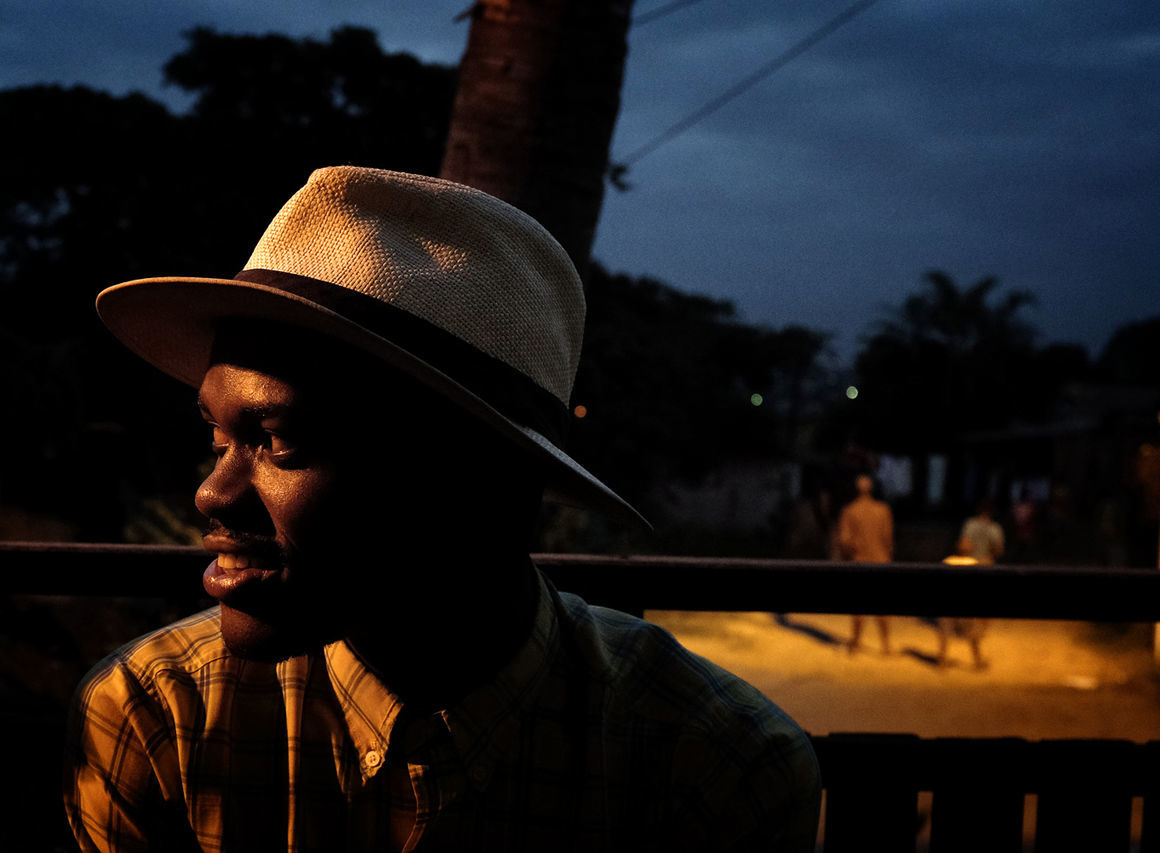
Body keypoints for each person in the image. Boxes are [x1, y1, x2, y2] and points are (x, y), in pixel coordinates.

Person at [62, 167, 821, 852]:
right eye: (219, 435)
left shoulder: (707, 761)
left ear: (478, 481)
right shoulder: (155, 719)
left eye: (279, 439)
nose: (211, 493)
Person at [937, 497, 1004, 669]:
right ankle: (977, 660)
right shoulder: (995, 528)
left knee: (950, 616)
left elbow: (964, 545)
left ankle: (942, 658)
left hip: (967, 569)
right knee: (975, 617)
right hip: (985, 569)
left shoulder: (970, 525)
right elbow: (999, 550)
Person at [837, 474, 894, 655]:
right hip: (881, 562)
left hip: (860, 563)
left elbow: (844, 540)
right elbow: (888, 539)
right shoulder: (883, 510)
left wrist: (855, 548)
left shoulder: (850, 511)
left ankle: (856, 642)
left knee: (859, 605)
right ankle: (885, 645)